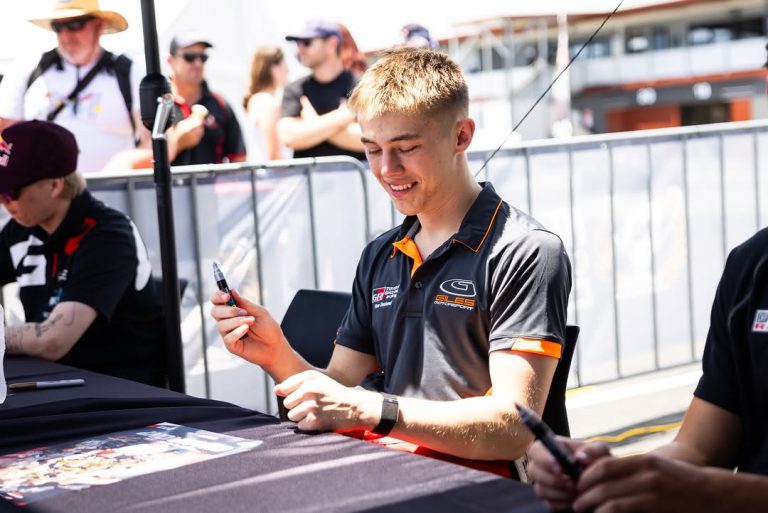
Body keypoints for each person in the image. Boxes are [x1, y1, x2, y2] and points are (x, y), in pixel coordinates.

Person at [211, 48, 571, 469]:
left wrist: (373, 410)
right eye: (372, 149)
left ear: (461, 136)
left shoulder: (526, 250)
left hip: (476, 486)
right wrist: (275, 353)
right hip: (384, 469)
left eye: (406, 147)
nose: (387, 168)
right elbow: (339, 385)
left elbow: (513, 428)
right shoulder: (381, 253)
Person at [528, 230, 768, 512]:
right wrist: (608, 475)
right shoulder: (751, 264)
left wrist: (710, 492)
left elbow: (700, 477)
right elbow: (699, 450)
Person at [0, 120, 166, 387]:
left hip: (118, 392)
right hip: (52, 380)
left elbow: (53, 341)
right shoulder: (22, 226)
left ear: (54, 186)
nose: (3, 203)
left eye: (9, 192)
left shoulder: (109, 234)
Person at [0, 0, 150, 173]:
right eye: (58, 27)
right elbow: (5, 136)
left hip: (110, 187)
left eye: (75, 25)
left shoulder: (128, 71)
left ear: (98, 26)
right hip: (44, 187)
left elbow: (156, 143)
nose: (66, 35)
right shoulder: (28, 69)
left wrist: (127, 162)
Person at [278, 20, 366, 160]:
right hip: (308, 174)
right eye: (298, 44)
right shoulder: (295, 89)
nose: (300, 49)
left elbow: (369, 139)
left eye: (307, 42)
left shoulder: (362, 85)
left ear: (332, 43)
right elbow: (288, 136)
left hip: (354, 173)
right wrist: (342, 117)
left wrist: (312, 124)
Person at [166, 32, 246, 166]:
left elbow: (238, 159)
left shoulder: (220, 104)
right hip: (169, 180)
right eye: (189, 57)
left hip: (212, 180)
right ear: (171, 61)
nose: (198, 63)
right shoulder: (160, 104)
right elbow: (145, 157)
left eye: (203, 58)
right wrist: (177, 143)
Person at [243, 47, 291, 161]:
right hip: (275, 172)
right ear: (273, 68)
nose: (288, 70)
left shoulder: (257, 99)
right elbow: (274, 154)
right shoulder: (268, 103)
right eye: (283, 66)